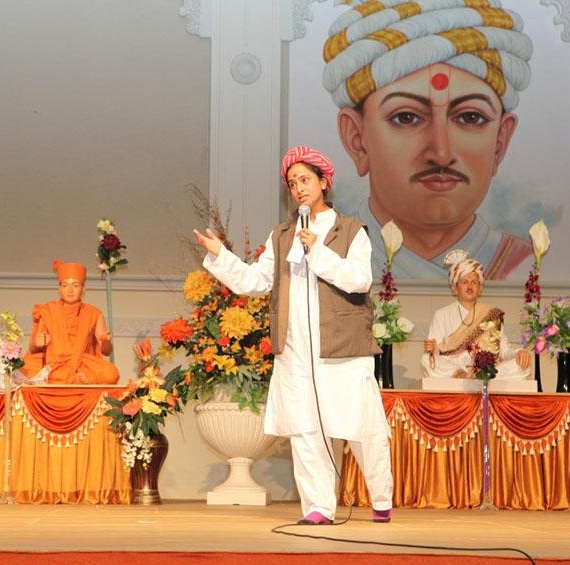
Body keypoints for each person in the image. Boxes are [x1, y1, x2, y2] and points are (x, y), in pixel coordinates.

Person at [194, 146, 393, 525]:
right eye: (292, 183)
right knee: (305, 428)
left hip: (343, 348)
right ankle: (318, 507)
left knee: (360, 426)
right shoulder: (282, 235)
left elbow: (360, 279)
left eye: (305, 180)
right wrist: (221, 256)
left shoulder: (352, 231)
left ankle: (381, 497)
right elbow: (254, 281)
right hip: (295, 349)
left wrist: (318, 251)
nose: (298, 188)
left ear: (324, 182)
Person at [323, 0, 534, 279]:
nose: (441, 153)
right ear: (357, 140)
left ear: (500, 143)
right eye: (406, 117)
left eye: (470, 117)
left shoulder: (525, 265)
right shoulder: (326, 256)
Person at [422, 249, 531, 380]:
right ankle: (463, 377)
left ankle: (479, 377)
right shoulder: (441, 315)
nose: (470, 286)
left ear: (480, 288)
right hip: (454, 369)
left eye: (474, 282)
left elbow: (504, 350)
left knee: (521, 366)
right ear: (454, 288)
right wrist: (432, 349)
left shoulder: (491, 314)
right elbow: (435, 352)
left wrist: (519, 353)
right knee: (426, 360)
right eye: (464, 282)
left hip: (485, 369)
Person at [21, 260, 119, 384]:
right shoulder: (48, 310)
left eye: (76, 285)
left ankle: (64, 378)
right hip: (53, 362)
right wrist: (37, 343)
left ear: (83, 289)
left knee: (111, 373)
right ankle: (75, 379)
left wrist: (105, 342)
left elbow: (107, 351)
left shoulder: (94, 313)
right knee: (20, 368)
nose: (70, 290)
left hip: (82, 363)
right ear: (59, 289)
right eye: (65, 285)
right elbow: (33, 348)